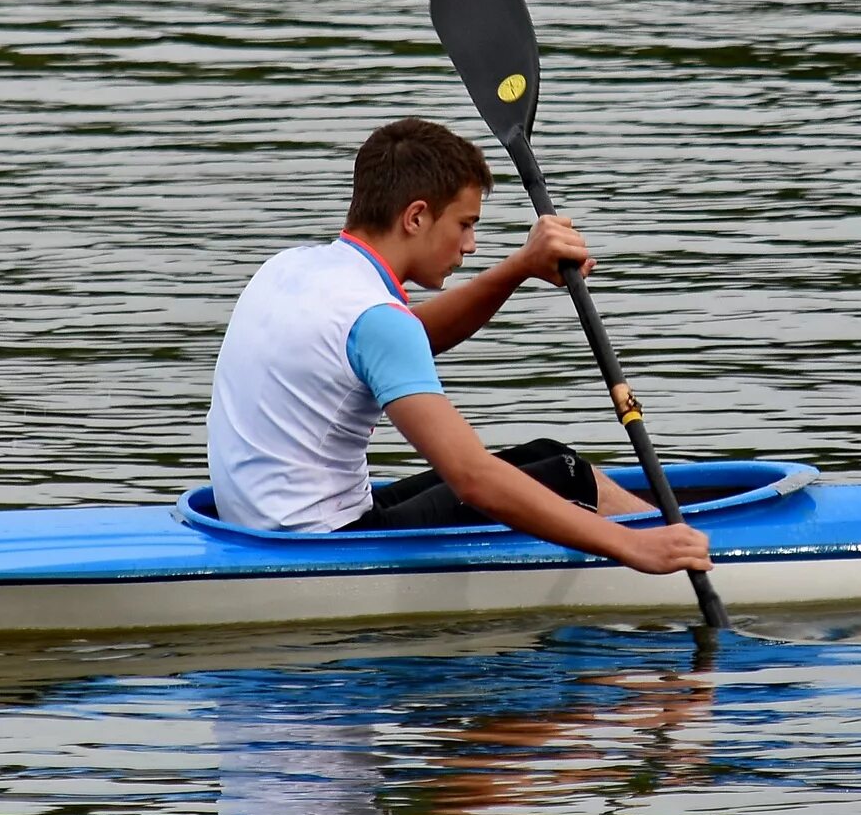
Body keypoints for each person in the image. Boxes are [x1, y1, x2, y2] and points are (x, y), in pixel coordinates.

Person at [205, 117, 711, 575]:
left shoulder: (293, 269)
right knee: (567, 474)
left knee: (542, 456)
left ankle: (670, 534)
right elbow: (472, 479)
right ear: (416, 217)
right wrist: (629, 547)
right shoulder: (376, 320)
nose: (470, 246)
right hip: (319, 546)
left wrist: (518, 268)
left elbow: (403, 339)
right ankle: (690, 546)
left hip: (251, 525)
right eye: (465, 224)